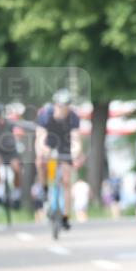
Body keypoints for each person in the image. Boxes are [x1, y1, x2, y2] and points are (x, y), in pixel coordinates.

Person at [35, 89, 83, 231]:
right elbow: (40, 137)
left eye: (66, 105)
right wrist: (43, 150)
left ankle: (65, 216)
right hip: (48, 143)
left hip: (65, 146)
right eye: (61, 105)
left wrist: (76, 152)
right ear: (55, 105)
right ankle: (44, 188)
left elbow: (76, 139)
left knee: (67, 181)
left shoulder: (73, 117)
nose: (63, 108)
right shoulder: (46, 115)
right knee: (40, 162)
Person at [0, 103, 22, 209]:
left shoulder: (9, 124)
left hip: (11, 151)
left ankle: (16, 194)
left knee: (17, 168)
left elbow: (19, 130)